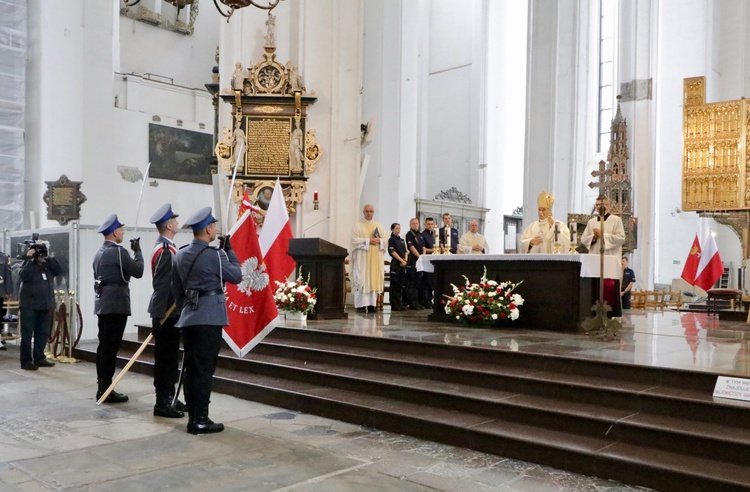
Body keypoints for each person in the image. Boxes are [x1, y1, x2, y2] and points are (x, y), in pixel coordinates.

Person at [172, 207, 242, 435]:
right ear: (209, 229)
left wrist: (188, 307)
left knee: (192, 370)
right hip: (210, 317)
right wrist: (229, 251)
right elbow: (236, 276)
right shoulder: (215, 255)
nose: (215, 229)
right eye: (214, 226)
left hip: (189, 317)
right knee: (203, 371)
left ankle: (193, 418)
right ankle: (201, 419)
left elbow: (177, 290)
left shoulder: (180, 254)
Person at [93, 214, 144, 403]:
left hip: (103, 303)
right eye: (121, 229)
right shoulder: (118, 252)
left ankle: (102, 386)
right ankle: (106, 390)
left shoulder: (99, 252)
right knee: (110, 349)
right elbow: (138, 271)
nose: (123, 232)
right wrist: (138, 252)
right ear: (114, 232)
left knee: (103, 347)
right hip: (116, 305)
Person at [148, 204, 187, 419]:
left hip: (170, 312)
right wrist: (159, 315)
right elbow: (162, 286)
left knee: (171, 358)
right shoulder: (165, 251)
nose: (177, 223)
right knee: (165, 360)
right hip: (166, 313)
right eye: (175, 221)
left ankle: (170, 397)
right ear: (169, 225)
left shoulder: (166, 247)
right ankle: (162, 402)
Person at [19, 240, 62, 370]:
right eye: (40, 252)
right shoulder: (28, 264)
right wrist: (30, 258)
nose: (41, 254)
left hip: (45, 304)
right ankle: (26, 361)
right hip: (29, 305)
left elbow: (59, 270)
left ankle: (39, 357)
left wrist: (48, 256)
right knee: (27, 334)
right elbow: (23, 275)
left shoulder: (47, 265)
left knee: (42, 333)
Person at [581, 195, 626, 314]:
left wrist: (603, 235)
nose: (599, 207)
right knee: (594, 285)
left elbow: (621, 238)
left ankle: (610, 313)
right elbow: (584, 239)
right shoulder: (591, 221)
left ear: (609, 206)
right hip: (594, 259)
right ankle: (593, 312)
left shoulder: (616, 220)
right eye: (597, 205)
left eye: (603, 204)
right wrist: (593, 237)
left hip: (609, 258)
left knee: (609, 285)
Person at [350, 204, 385, 313]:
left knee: (373, 279)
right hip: (363, 259)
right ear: (363, 212)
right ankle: (360, 305)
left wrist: (380, 241)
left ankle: (371, 305)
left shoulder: (378, 225)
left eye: (371, 211)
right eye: (367, 211)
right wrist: (368, 241)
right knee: (362, 279)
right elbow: (354, 241)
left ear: (373, 212)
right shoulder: (358, 226)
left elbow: (386, 240)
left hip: (375, 258)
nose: (369, 213)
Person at [405, 218, 426, 310]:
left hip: (420, 261)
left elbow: (423, 247)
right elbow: (411, 247)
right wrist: (420, 256)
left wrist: (424, 256)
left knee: (419, 282)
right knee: (412, 282)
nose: (415, 225)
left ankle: (417, 302)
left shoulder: (420, 235)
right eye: (413, 223)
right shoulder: (409, 234)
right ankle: (412, 303)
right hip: (413, 261)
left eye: (417, 223)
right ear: (410, 225)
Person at [387, 223, 407, 311]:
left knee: (400, 285)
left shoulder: (402, 240)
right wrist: (401, 260)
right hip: (396, 265)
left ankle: (399, 303)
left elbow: (406, 251)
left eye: (399, 228)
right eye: (396, 228)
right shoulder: (391, 240)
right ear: (392, 229)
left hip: (403, 265)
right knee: (394, 285)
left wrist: (405, 260)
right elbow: (392, 252)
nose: (398, 230)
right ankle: (394, 304)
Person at [420, 217, 436, 308]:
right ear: (425, 224)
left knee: (432, 282)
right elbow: (423, 249)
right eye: (428, 224)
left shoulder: (435, 234)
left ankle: (430, 299)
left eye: (431, 224)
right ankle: (426, 300)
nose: (430, 226)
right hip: (427, 260)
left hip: (434, 259)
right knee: (426, 281)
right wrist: (433, 250)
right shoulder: (423, 235)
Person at [0, 250, 12, 351]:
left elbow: (8, 274)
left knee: (0, 317)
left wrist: (8, 291)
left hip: (0, 292)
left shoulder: (3, 257)